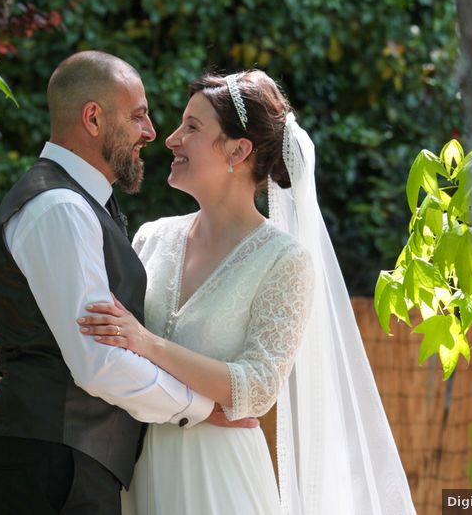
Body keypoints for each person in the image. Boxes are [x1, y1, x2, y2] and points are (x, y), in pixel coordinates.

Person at [73, 70, 417, 514]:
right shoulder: (151, 238)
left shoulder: (283, 260)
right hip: (139, 469)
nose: (171, 139)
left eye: (192, 127)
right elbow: (105, 345)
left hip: (220, 478)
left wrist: (147, 343)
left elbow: (255, 390)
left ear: (238, 150)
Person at [0, 51, 255, 515]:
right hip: (51, 470)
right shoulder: (61, 208)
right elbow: (99, 362)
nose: (151, 132)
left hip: (65, 463)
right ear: (92, 118)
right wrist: (202, 409)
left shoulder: (79, 204)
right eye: (139, 115)